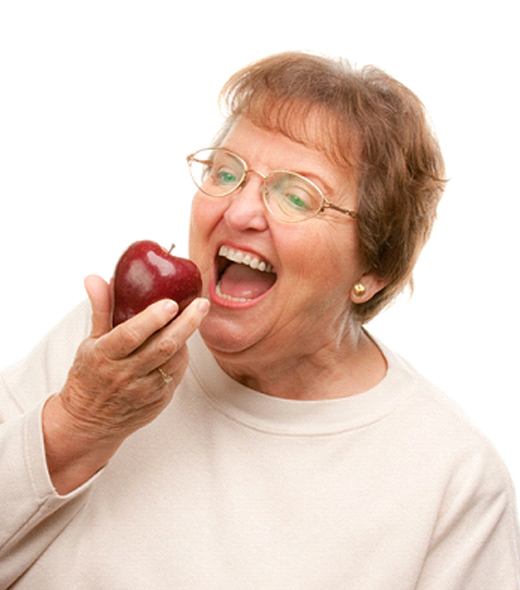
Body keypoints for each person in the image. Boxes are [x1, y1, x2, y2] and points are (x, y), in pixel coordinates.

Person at [1, 52, 519, 589]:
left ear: (374, 268)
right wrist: (79, 424)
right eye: (227, 173)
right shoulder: (110, 347)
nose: (241, 212)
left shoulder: (452, 480)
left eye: (297, 196)